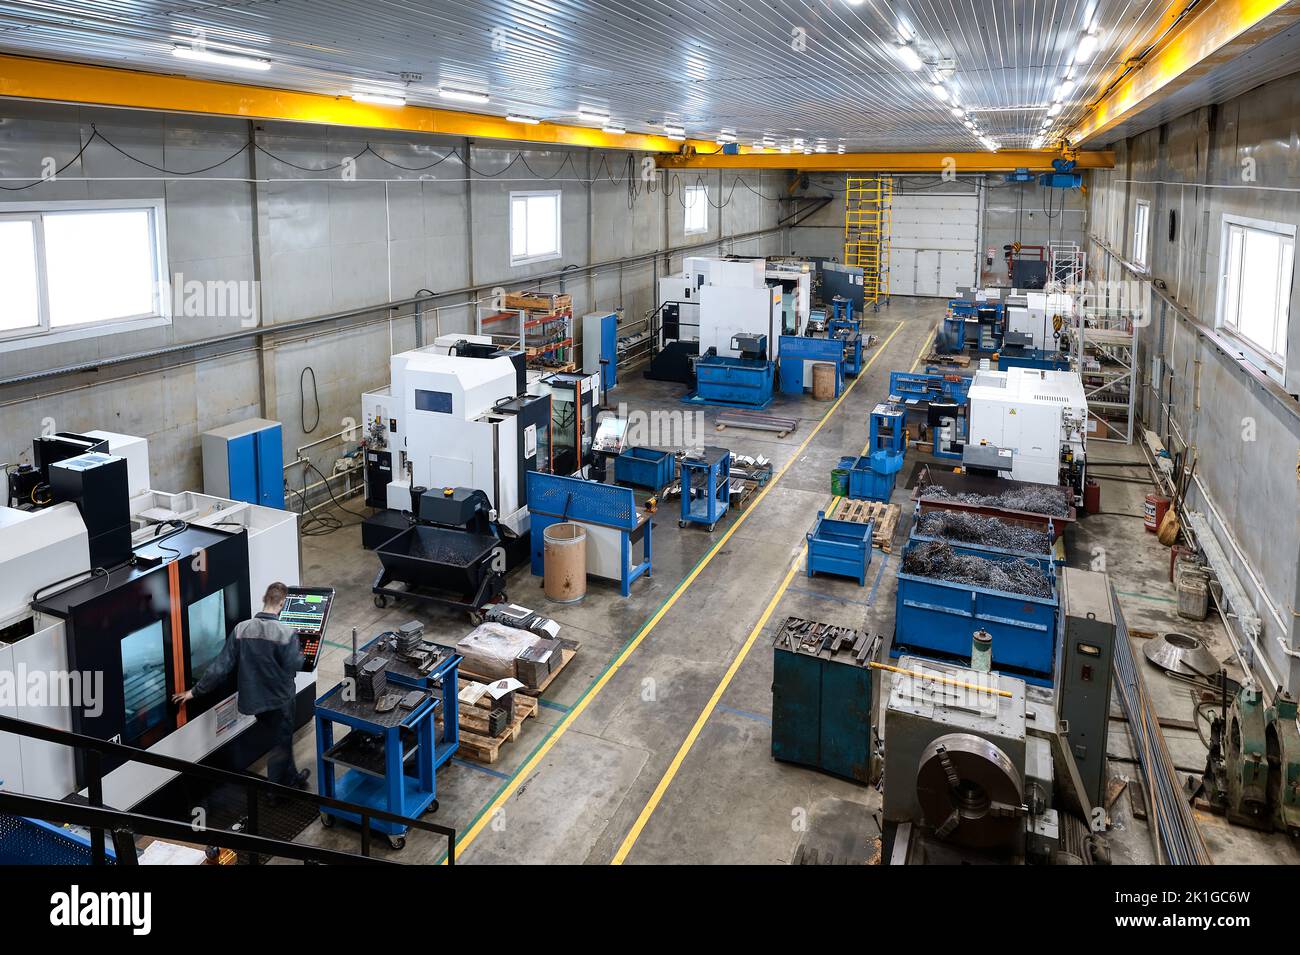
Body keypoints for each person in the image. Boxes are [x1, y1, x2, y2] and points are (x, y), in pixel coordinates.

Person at [173, 581, 309, 790]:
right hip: (280, 700)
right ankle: (275, 792)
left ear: (264, 599)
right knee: (280, 744)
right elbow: (294, 665)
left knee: (280, 739)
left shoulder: (241, 629)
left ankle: (292, 778)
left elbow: (220, 667)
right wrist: (301, 654)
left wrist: (194, 692)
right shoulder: (285, 633)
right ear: (282, 604)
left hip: (254, 702)